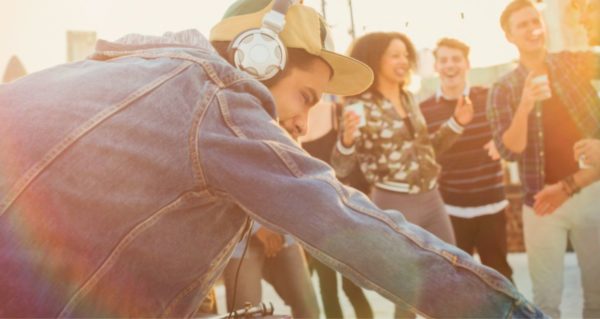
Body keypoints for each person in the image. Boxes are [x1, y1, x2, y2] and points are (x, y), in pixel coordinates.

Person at [0, 0, 542, 317]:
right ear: (258, 58)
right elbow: (356, 227)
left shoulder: (139, 70)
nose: (306, 121)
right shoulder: (220, 101)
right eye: (306, 97)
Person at [330, 31, 471, 318]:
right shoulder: (361, 105)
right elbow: (341, 167)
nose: (404, 61)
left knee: (454, 272)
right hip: (394, 203)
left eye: (406, 55)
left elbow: (425, 151)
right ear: (375, 60)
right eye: (395, 55)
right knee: (408, 292)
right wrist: (346, 139)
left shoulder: (408, 98)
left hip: (432, 199)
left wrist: (457, 123)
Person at [487, 0, 600, 317]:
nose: (532, 28)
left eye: (534, 20)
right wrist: (524, 105)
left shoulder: (574, 64)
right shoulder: (503, 87)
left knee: (598, 296)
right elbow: (510, 151)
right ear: (509, 36)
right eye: (521, 25)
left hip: (590, 189)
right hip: (540, 202)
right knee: (545, 302)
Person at [420, 38, 513, 281]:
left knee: (500, 278)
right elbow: (424, 155)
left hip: (492, 205)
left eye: (456, 59)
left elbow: (514, 131)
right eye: (444, 60)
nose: (450, 65)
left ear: (467, 64)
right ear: (436, 67)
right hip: (450, 210)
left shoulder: (491, 97)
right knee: (455, 282)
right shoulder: (424, 109)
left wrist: (502, 141)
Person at [300, 97, 374, 319]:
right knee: (327, 288)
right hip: (313, 217)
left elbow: (357, 165)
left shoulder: (339, 112)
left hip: (343, 213)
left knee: (352, 287)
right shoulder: (290, 117)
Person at [223, 222, 319, 318]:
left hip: (284, 234)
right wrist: (256, 227)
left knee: (309, 309)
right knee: (245, 314)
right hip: (241, 239)